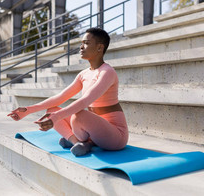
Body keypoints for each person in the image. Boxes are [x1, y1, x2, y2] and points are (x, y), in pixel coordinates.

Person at [8, 28, 128, 156]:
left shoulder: (107, 72)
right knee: (51, 110)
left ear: (99, 48)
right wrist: (28, 110)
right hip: (95, 131)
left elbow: (86, 100)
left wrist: (57, 117)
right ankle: (77, 142)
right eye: (81, 43)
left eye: (86, 43)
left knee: (79, 115)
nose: (81, 47)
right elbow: (61, 97)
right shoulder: (84, 74)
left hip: (115, 136)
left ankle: (85, 141)